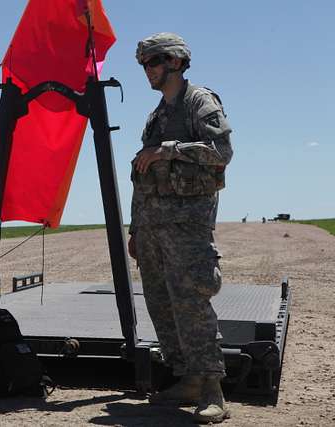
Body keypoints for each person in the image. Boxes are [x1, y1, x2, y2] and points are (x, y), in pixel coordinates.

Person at [128, 33, 233, 423]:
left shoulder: (198, 102)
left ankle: (212, 389)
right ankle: (187, 379)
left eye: (153, 61)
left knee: (191, 303)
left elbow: (222, 153)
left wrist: (168, 149)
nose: (148, 70)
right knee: (161, 304)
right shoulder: (156, 115)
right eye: (143, 64)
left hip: (188, 228)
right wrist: (136, 229)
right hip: (153, 230)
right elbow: (142, 175)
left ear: (175, 61)